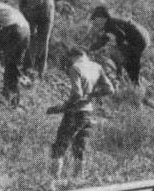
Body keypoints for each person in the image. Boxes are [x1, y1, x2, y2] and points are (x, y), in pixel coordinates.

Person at [46, 48, 113, 180]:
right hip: (88, 113)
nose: (69, 62)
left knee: (59, 147)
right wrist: (92, 95)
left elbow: (77, 94)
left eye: (70, 58)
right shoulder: (97, 67)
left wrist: (62, 107)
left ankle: (52, 183)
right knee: (79, 149)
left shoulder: (75, 67)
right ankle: (77, 181)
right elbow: (110, 89)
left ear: (75, 56)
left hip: (74, 113)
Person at [88, 5, 151, 88]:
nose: (95, 21)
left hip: (139, 41)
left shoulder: (110, 25)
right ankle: (126, 78)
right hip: (142, 38)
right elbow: (104, 40)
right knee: (127, 61)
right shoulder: (112, 22)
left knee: (117, 53)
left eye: (95, 18)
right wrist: (90, 48)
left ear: (101, 17)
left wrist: (119, 44)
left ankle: (125, 79)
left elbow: (119, 35)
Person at [17, 0, 54, 78]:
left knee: (30, 34)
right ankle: (41, 71)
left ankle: (26, 67)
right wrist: (49, 27)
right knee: (44, 39)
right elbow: (52, 6)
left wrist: (21, 14)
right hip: (48, 8)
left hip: (35, 1)